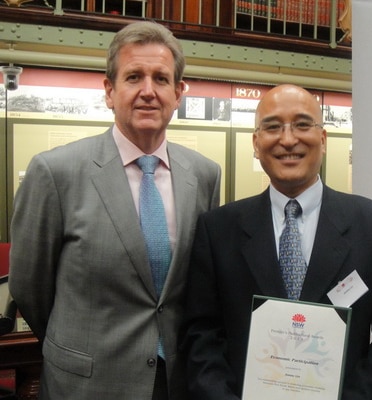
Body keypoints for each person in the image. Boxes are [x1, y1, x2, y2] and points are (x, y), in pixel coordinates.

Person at [9, 21, 221, 400]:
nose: (147, 92)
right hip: (86, 384)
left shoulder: (204, 175)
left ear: (178, 93)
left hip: (175, 383)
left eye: (161, 79)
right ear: (109, 91)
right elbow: (29, 287)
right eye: (133, 77)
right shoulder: (56, 172)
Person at [183, 84, 372, 399]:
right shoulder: (218, 229)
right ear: (256, 142)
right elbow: (201, 337)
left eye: (303, 125)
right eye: (273, 127)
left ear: (323, 139)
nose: (288, 139)